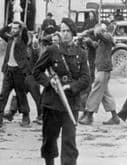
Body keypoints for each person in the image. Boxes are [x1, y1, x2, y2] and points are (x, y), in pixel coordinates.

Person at [32, 17, 90, 165]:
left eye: (67, 31)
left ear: (73, 33)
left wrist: (71, 87)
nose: (64, 34)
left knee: (69, 142)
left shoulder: (81, 53)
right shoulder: (52, 50)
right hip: (52, 102)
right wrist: (49, 82)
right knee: (49, 139)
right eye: (62, 30)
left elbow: (86, 79)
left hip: (71, 103)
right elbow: (37, 71)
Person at [79, 23, 119, 125]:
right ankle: (115, 117)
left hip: (103, 69)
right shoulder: (104, 39)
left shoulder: (107, 36)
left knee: (95, 91)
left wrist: (92, 30)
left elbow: (98, 33)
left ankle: (89, 115)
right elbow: (95, 45)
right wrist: (89, 41)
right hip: (102, 68)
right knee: (105, 95)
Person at [0, 21, 31, 127]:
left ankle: (26, 116)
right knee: (3, 94)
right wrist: (8, 25)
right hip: (8, 70)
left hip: (19, 71)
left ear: (19, 30)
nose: (13, 30)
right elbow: (0, 32)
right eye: (12, 28)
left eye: (16, 28)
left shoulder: (23, 39)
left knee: (21, 95)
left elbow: (25, 31)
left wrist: (22, 26)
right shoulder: (10, 38)